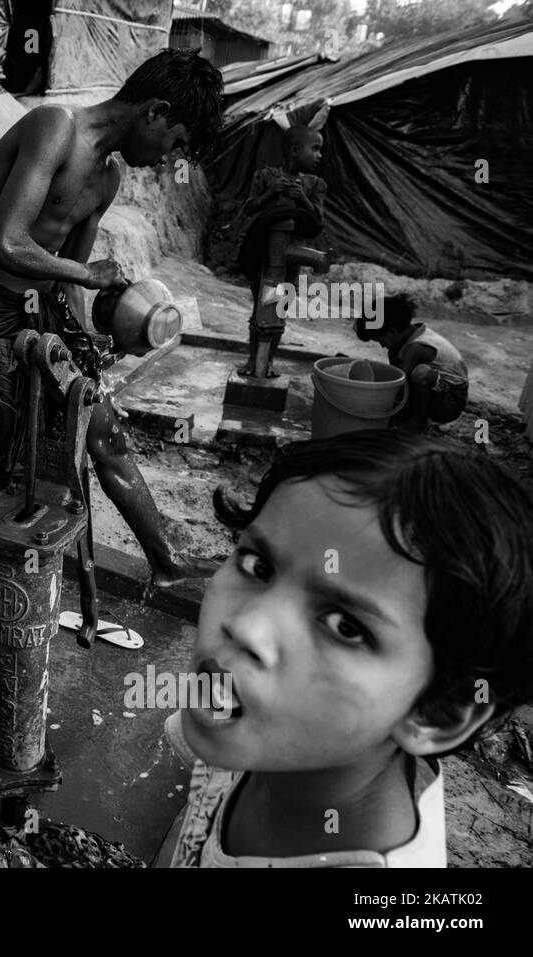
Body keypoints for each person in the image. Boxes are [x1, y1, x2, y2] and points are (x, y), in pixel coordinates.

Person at [158, 431, 533, 866]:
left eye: (345, 626)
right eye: (259, 566)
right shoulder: (264, 724)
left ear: (435, 713)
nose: (245, 627)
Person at [0, 47, 222, 588]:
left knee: (104, 431)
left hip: (47, 306)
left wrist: (96, 343)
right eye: (173, 142)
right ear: (155, 110)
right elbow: (3, 245)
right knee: (6, 459)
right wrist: (83, 277)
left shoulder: (108, 179)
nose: (163, 160)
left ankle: (165, 563)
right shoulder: (54, 127)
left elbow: (70, 277)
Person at [235, 124, 328, 378]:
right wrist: (270, 195)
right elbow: (250, 208)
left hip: (291, 258)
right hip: (263, 254)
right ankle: (253, 360)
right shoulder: (266, 176)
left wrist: (302, 198)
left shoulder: (315, 184)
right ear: (296, 150)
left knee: (279, 309)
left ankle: (270, 361)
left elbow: (317, 222)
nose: (320, 155)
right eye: (316, 149)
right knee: (260, 309)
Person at [356, 294, 468, 432]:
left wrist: (375, 402)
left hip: (451, 403)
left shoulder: (416, 347)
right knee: (398, 363)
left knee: (420, 373)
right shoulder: (403, 341)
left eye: (380, 340)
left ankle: (417, 423)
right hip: (438, 392)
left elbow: (399, 382)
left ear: (392, 331)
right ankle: (407, 414)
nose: (382, 346)